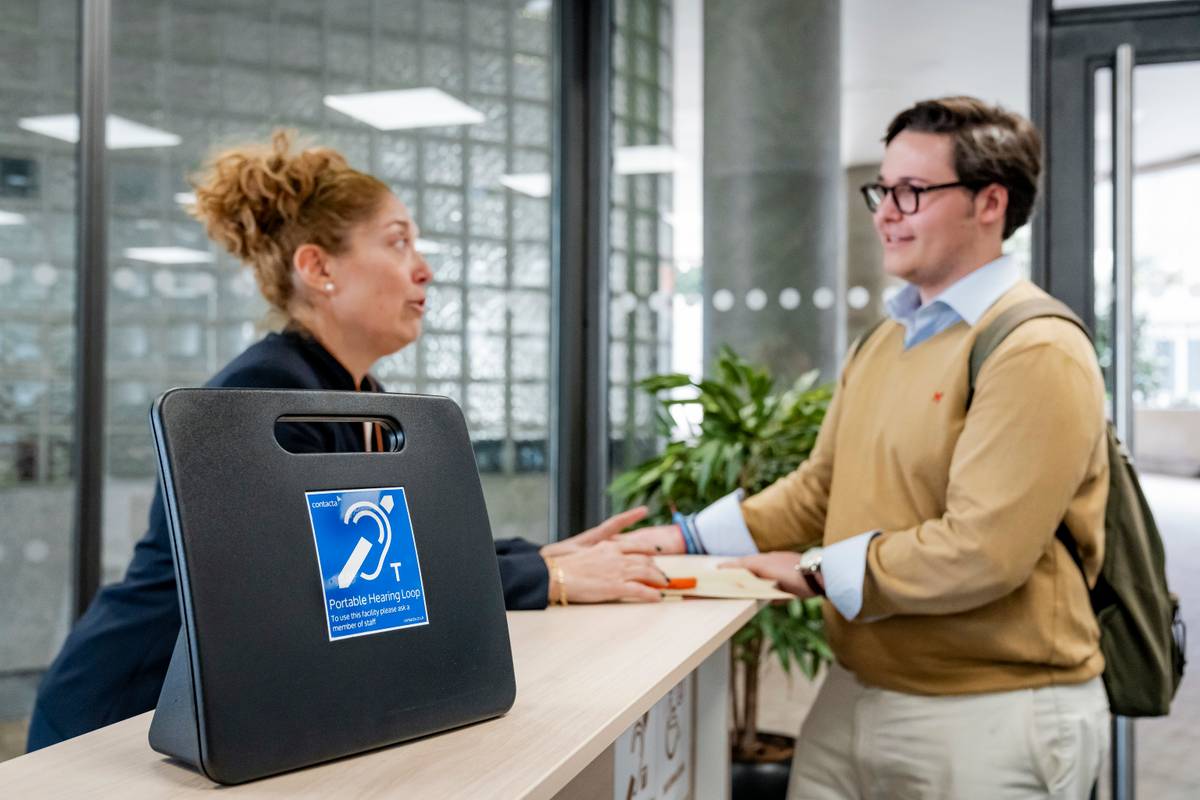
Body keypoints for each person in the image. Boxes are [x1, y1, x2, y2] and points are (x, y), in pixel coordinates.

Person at [27, 131, 665, 751]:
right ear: (318, 268)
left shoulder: (354, 395)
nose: (424, 270)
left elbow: (402, 551)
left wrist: (544, 555)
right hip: (127, 713)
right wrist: (545, 575)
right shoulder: (266, 392)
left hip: (220, 708)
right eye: (398, 242)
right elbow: (339, 582)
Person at [622, 97, 1111, 799]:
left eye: (912, 192)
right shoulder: (885, 340)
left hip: (995, 712)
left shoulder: (1033, 348)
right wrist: (682, 540)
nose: (886, 214)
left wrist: (817, 571)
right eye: (883, 191)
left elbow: (982, 552)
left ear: (990, 202)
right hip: (857, 688)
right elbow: (821, 487)